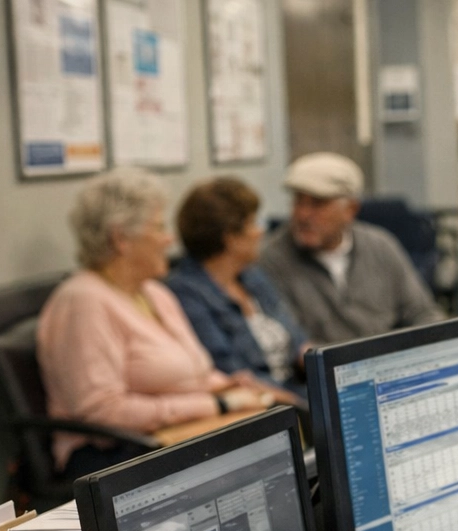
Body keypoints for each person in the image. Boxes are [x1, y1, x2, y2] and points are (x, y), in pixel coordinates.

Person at [37, 168, 283, 478]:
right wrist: (216, 405)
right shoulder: (82, 301)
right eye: (158, 227)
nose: (169, 239)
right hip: (115, 456)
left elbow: (195, 371)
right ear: (121, 239)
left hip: (176, 437)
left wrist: (227, 385)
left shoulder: (154, 291)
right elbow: (102, 411)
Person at [258, 152, 442, 346]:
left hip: (389, 358)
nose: (303, 215)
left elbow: (423, 313)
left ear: (350, 210)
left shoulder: (380, 246)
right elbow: (287, 343)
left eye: (317, 204)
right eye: (298, 202)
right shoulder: (271, 259)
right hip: (321, 364)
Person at [166, 177, 309, 394]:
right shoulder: (186, 293)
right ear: (230, 237)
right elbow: (230, 371)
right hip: (262, 402)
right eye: (252, 223)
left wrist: (329, 368)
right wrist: (302, 405)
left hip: (297, 388)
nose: (260, 231)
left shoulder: (252, 276)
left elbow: (297, 340)